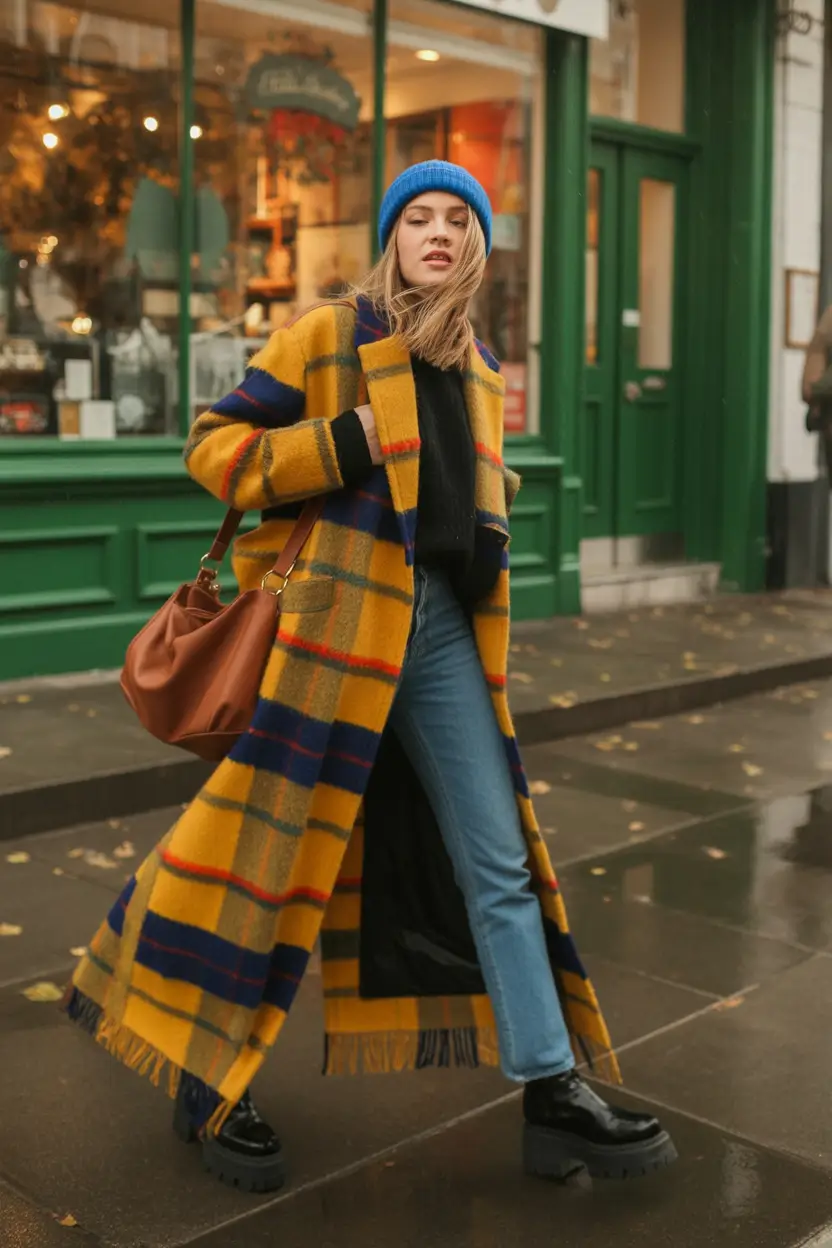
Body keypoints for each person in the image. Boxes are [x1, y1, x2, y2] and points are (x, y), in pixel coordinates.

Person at [63, 161, 677, 1194]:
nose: (437, 232)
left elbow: (463, 491)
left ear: (476, 247)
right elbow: (213, 447)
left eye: (457, 220)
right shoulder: (328, 335)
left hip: (439, 637)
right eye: (417, 217)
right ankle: (207, 1076)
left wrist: (486, 515)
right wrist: (341, 443)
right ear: (392, 237)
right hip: (331, 632)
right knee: (262, 858)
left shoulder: (479, 367)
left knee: (499, 861)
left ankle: (551, 1091)